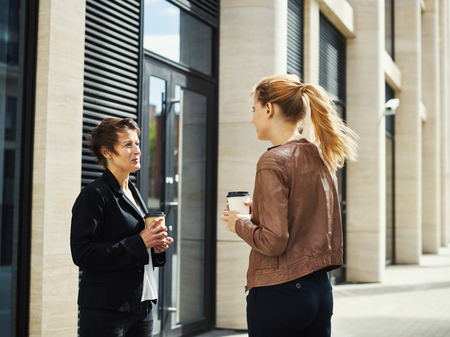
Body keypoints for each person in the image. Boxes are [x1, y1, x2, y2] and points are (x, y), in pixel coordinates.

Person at [221, 74, 358, 337]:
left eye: (254, 109)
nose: (252, 118)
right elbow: (305, 215)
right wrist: (259, 210)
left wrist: (239, 223)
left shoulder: (273, 160)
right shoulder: (318, 155)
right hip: (319, 290)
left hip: (280, 292)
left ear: (269, 109)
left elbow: (274, 241)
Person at [70, 117, 173, 337]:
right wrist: (140, 242)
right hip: (106, 310)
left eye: (137, 143)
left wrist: (156, 247)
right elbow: (83, 253)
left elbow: (137, 246)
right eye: (128, 145)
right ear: (107, 152)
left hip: (141, 305)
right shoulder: (94, 194)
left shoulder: (133, 192)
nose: (137, 150)